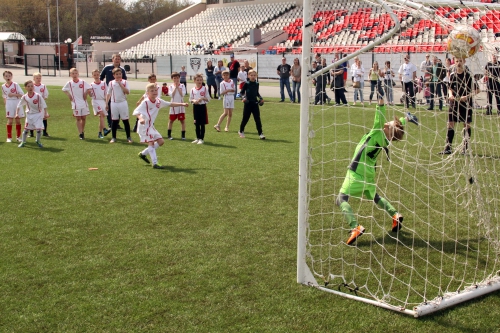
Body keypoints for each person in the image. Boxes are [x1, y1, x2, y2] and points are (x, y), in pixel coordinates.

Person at [337, 98, 419, 245]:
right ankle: (394, 214)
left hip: (357, 172)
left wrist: (380, 102)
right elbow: (396, 125)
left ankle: (355, 227)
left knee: (341, 199)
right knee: (375, 197)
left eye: (389, 124)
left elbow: (379, 117)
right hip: (369, 173)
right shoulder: (386, 139)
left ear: (388, 129)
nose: (387, 122)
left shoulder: (377, 132)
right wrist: (406, 119)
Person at [133, 83, 189, 169]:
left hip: (150, 126)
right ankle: (155, 163)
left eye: (155, 90)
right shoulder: (145, 102)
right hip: (144, 127)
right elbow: (136, 112)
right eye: (152, 91)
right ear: (147, 93)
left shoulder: (158, 101)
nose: (154, 92)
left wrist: (182, 104)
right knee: (151, 143)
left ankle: (143, 154)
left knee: (161, 142)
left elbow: (170, 104)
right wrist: (140, 119)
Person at [439, 57, 479, 155]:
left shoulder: (469, 75)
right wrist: (450, 95)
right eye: (457, 61)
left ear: (464, 61)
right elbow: (449, 88)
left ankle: (465, 149)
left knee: (466, 125)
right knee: (450, 124)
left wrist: (467, 96)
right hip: (454, 104)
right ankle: (448, 148)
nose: (458, 63)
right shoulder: (452, 75)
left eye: (460, 61)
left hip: (466, 104)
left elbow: (477, 90)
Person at [16, 80, 48, 148]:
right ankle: (23, 142)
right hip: (29, 115)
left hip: (38, 114)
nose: (30, 88)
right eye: (28, 86)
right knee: (26, 130)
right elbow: (19, 105)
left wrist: (46, 113)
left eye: (32, 86)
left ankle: (38, 141)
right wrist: (16, 113)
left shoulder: (38, 96)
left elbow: (44, 104)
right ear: (25, 88)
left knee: (39, 129)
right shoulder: (24, 97)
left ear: (33, 87)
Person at [62, 68, 91, 140]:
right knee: (78, 118)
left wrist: (86, 93)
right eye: (73, 73)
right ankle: (80, 133)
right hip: (75, 103)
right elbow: (64, 89)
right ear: (70, 75)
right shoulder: (69, 83)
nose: (74, 75)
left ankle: (82, 130)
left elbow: (89, 88)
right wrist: (68, 95)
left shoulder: (83, 82)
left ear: (78, 74)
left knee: (83, 118)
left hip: (83, 103)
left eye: (75, 73)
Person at [100, 54, 127, 129]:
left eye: (118, 59)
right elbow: (101, 77)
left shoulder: (122, 69)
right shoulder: (107, 68)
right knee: (109, 107)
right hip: (109, 91)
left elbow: (125, 80)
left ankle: (116, 124)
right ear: (113, 59)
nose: (117, 60)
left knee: (118, 107)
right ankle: (110, 123)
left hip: (119, 92)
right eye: (116, 59)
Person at [106, 68, 132, 143]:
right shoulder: (111, 83)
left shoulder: (124, 82)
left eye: (120, 74)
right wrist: (106, 103)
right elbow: (109, 93)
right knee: (114, 121)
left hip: (123, 103)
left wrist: (120, 84)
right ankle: (113, 137)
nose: (118, 76)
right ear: (113, 75)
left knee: (125, 120)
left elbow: (127, 92)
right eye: (116, 74)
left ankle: (129, 137)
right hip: (114, 103)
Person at [238, 69, 265, 139]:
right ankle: (241, 131)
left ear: (256, 76)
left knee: (257, 119)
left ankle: (260, 133)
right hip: (248, 103)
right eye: (251, 75)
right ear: (248, 76)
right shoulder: (246, 84)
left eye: (254, 75)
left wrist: (261, 98)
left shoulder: (257, 84)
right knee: (245, 118)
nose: (253, 77)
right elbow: (241, 93)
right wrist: (243, 98)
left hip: (255, 103)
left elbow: (257, 93)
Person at [2, 70, 24, 142]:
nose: (8, 77)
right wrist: (6, 104)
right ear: (4, 77)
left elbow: (22, 94)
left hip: (16, 102)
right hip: (9, 104)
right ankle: (9, 137)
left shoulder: (15, 84)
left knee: (17, 120)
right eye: (6, 76)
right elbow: (4, 96)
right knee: (10, 120)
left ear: (12, 76)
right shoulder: (3, 86)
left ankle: (18, 137)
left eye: (9, 76)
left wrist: (13, 95)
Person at [89, 69, 111, 139]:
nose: (96, 76)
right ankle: (105, 129)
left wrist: (106, 103)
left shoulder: (103, 83)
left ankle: (99, 133)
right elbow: (90, 95)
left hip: (102, 101)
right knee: (101, 114)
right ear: (92, 76)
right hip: (95, 101)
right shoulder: (91, 85)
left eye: (97, 75)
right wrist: (89, 93)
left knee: (101, 117)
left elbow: (107, 93)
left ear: (99, 75)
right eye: (94, 75)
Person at [190, 73, 210, 144]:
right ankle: (198, 138)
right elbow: (190, 99)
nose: (199, 81)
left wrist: (202, 98)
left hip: (202, 107)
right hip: (195, 107)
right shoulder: (192, 90)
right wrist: (194, 101)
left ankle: (201, 139)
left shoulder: (204, 89)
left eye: (200, 80)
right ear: (194, 81)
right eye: (198, 80)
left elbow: (208, 99)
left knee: (202, 123)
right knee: (196, 123)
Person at [167, 72, 187, 140]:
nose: (176, 79)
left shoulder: (182, 86)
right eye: (174, 78)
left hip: (181, 106)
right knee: (171, 120)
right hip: (173, 106)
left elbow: (182, 95)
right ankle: (169, 135)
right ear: (172, 79)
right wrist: (175, 88)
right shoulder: (170, 86)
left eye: (177, 78)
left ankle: (183, 135)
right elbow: (171, 95)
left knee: (182, 121)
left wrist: (178, 87)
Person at [32, 72, 50, 137]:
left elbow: (46, 94)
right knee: (33, 118)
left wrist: (43, 99)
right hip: (33, 104)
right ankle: (31, 133)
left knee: (44, 118)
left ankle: (44, 132)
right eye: (37, 78)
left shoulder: (43, 86)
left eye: (40, 78)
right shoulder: (32, 86)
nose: (39, 79)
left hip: (41, 104)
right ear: (34, 78)